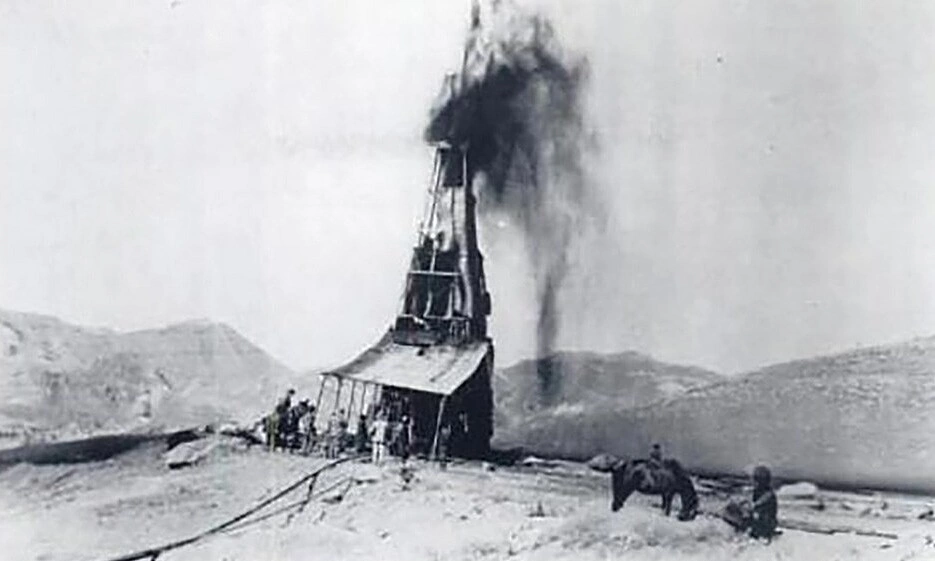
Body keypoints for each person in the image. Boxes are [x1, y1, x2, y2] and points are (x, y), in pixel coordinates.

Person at [749, 465, 778, 541]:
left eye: (755, 480)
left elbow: (757, 505)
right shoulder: (758, 491)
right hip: (761, 520)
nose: (753, 482)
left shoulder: (768, 494)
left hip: (765, 523)